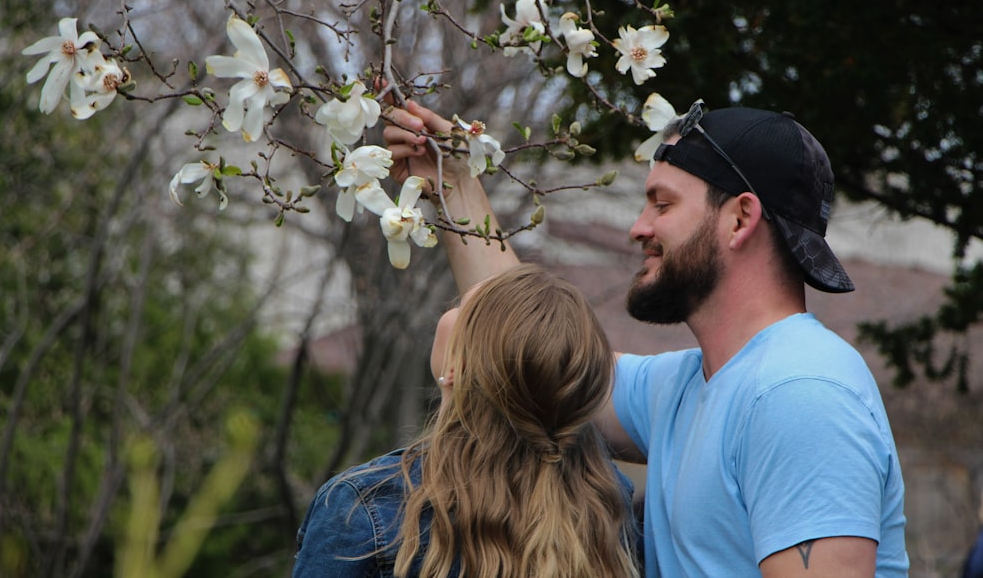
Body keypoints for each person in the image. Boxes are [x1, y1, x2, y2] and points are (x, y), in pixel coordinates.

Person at [383, 100, 909, 577]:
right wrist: (454, 181)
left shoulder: (799, 394)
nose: (638, 227)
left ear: (740, 218)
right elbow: (525, 348)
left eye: (661, 204)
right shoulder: (689, 386)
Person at [292, 264, 643, 577]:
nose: (450, 310)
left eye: (461, 306)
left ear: (457, 367)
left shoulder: (363, 506)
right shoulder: (606, 498)